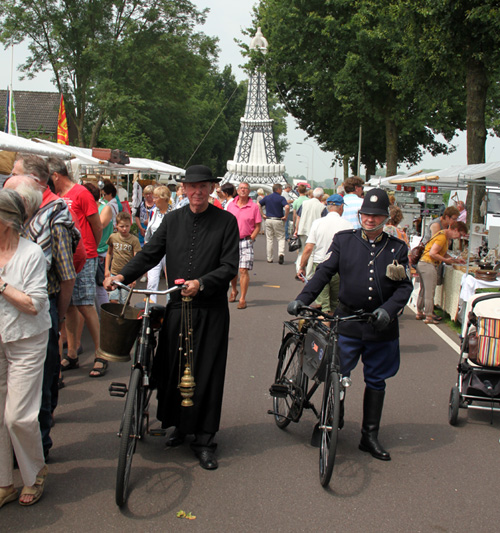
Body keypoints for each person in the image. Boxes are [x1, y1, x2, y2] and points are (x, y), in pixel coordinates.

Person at [104, 164, 239, 470]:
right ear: (184, 190)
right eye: (192, 187)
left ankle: (204, 439)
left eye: (203, 187)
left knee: (206, 372)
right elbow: (150, 253)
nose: (197, 192)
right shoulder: (173, 219)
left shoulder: (226, 221)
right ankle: (179, 425)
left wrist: (202, 283)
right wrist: (121, 274)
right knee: (174, 368)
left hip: (210, 310)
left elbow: (230, 265)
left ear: (212, 189)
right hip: (177, 307)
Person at [288, 189, 413, 461]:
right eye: (366, 214)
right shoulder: (345, 241)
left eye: (376, 215)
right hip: (348, 322)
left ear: (385, 217)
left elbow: (404, 288)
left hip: (380, 326)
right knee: (336, 375)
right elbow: (324, 272)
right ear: (359, 215)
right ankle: (330, 422)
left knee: (376, 381)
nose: (370, 219)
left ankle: (369, 436)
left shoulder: (397, 248)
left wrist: (388, 311)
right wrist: (302, 299)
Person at [8, 159, 78, 460]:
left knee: (42, 381)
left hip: (42, 306)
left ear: (35, 181)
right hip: (11, 308)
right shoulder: (19, 214)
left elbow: (66, 275)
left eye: (13, 174)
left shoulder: (56, 216)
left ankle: (39, 448)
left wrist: (60, 318)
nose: (8, 179)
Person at [0, 188, 52, 507]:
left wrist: (2, 284)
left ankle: (35, 473)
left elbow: (34, 304)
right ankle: (4, 482)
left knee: (17, 417)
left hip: (26, 340)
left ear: (5, 220)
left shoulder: (30, 254)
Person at [47, 157, 104, 378]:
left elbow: (96, 224)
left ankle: (101, 353)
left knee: (85, 304)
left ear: (55, 175)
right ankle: (72, 352)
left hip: (85, 256)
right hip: (65, 258)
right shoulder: (59, 196)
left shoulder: (80, 193)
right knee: (69, 305)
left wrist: (91, 248)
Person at [297, 194, 353, 313]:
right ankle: (331, 328)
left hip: (320, 265)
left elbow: (308, 248)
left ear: (327, 206)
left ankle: (324, 328)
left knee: (323, 307)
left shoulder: (318, 223)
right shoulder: (348, 225)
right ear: (341, 207)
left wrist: (302, 266)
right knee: (334, 306)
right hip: (339, 268)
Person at [415, 221, 468, 324]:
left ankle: (419, 311)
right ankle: (429, 316)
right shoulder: (442, 237)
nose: (459, 237)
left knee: (423, 290)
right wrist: (446, 260)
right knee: (430, 292)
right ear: (455, 230)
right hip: (429, 264)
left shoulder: (441, 234)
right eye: (460, 234)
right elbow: (433, 253)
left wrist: (455, 259)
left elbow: (441, 252)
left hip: (423, 263)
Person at [226, 182, 262, 309]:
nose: (243, 190)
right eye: (240, 188)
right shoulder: (231, 205)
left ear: (249, 191)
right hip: (231, 241)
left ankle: (242, 298)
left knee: (243, 270)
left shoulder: (254, 207)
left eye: (245, 189)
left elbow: (258, 226)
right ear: (237, 190)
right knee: (233, 270)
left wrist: (252, 238)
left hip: (246, 240)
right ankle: (234, 290)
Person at [105, 212, 141, 304]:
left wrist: (133, 277)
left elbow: (136, 259)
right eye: (121, 226)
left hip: (127, 275)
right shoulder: (113, 237)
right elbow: (109, 253)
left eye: (127, 226)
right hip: (114, 273)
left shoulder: (134, 240)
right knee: (113, 300)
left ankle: (123, 318)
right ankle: (114, 318)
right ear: (117, 226)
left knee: (124, 302)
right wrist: (106, 270)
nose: (124, 229)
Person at [144, 185, 172, 303]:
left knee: (170, 280)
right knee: (152, 280)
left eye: (156, 197)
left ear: (164, 198)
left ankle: (170, 307)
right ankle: (150, 309)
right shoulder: (153, 211)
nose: (153, 200)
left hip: (169, 250)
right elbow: (149, 229)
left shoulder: (174, 212)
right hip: (154, 249)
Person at [294, 187, 324, 278]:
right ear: (321, 196)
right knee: (311, 253)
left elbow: (298, 217)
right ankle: (308, 274)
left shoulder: (304, 203)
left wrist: (296, 229)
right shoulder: (322, 207)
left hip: (302, 229)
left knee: (301, 251)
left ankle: (298, 270)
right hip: (314, 232)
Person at [259, 183, 289, 264]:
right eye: (281, 189)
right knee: (281, 238)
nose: (282, 190)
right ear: (278, 189)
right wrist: (285, 216)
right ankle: (281, 253)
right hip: (278, 219)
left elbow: (258, 204)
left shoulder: (267, 197)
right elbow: (287, 207)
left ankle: (269, 258)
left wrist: (262, 214)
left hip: (268, 219)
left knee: (269, 239)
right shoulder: (281, 198)